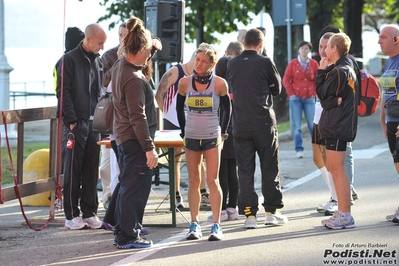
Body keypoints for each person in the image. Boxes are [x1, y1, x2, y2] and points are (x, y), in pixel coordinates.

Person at [227, 28, 288, 229]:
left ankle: (249, 215)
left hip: (241, 124)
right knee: (270, 168)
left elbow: (231, 87)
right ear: (260, 44)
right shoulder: (265, 61)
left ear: (244, 42)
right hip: (263, 123)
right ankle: (271, 212)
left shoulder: (232, 63)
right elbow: (278, 89)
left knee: (245, 171)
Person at [112, 16, 159, 249]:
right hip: (134, 140)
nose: (151, 53)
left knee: (127, 186)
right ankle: (128, 236)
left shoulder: (121, 65)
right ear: (141, 48)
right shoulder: (134, 79)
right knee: (135, 188)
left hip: (123, 137)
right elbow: (137, 116)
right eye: (149, 50)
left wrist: (153, 45)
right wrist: (149, 148)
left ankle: (124, 230)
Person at [176, 43, 231, 241]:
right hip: (191, 136)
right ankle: (194, 223)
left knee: (212, 181)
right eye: (197, 60)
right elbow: (178, 108)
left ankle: (216, 225)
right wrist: (184, 132)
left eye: (203, 61)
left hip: (211, 136)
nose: (198, 64)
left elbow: (227, 109)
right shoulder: (184, 83)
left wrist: (223, 133)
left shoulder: (219, 83)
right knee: (193, 181)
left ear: (212, 64)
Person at [55, 23, 107, 230]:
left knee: (90, 170)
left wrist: (101, 119)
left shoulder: (97, 60)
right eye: (100, 43)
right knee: (72, 169)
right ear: (88, 39)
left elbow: (99, 90)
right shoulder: (68, 60)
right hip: (75, 124)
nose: (102, 47)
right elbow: (63, 93)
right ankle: (71, 214)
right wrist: (72, 120)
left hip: (94, 123)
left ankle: (89, 212)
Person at [155, 51, 211, 209]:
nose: (200, 66)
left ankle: (202, 193)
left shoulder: (200, 75)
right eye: (199, 61)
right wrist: (167, 113)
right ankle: (176, 195)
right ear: (193, 58)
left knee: (197, 157)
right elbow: (159, 93)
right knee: (176, 159)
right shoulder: (175, 71)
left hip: (192, 123)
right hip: (173, 122)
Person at [316, 32, 358, 230]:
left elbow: (322, 93)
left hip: (338, 125)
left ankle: (346, 214)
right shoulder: (340, 69)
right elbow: (328, 99)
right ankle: (342, 211)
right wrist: (331, 100)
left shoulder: (340, 70)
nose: (324, 50)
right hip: (335, 124)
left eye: (327, 47)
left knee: (338, 169)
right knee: (333, 168)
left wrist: (321, 72)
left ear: (335, 48)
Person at [314, 32, 338, 216]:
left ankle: (336, 198)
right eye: (320, 46)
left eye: (325, 46)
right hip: (317, 114)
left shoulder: (337, 67)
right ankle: (334, 195)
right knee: (317, 158)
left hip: (329, 118)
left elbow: (334, 98)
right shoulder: (322, 64)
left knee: (331, 160)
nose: (322, 50)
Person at [283, 41, 318, 158]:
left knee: (312, 125)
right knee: (296, 126)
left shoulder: (313, 64)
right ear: (299, 50)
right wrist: (291, 94)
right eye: (302, 48)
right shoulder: (293, 64)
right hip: (296, 98)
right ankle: (299, 149)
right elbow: (286, 80)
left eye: (306, 48)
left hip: (309, 98)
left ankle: (317, 148)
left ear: (309, 51)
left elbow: (318, 80)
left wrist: (314, 93)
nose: (304, 50)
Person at [378, 24, 399, 223]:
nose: (379, 41)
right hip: (391, 119)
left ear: (396, 39)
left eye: (383, 37)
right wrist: (382, 118)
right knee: (397, 163)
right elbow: (386, 90)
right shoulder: (388, 63)